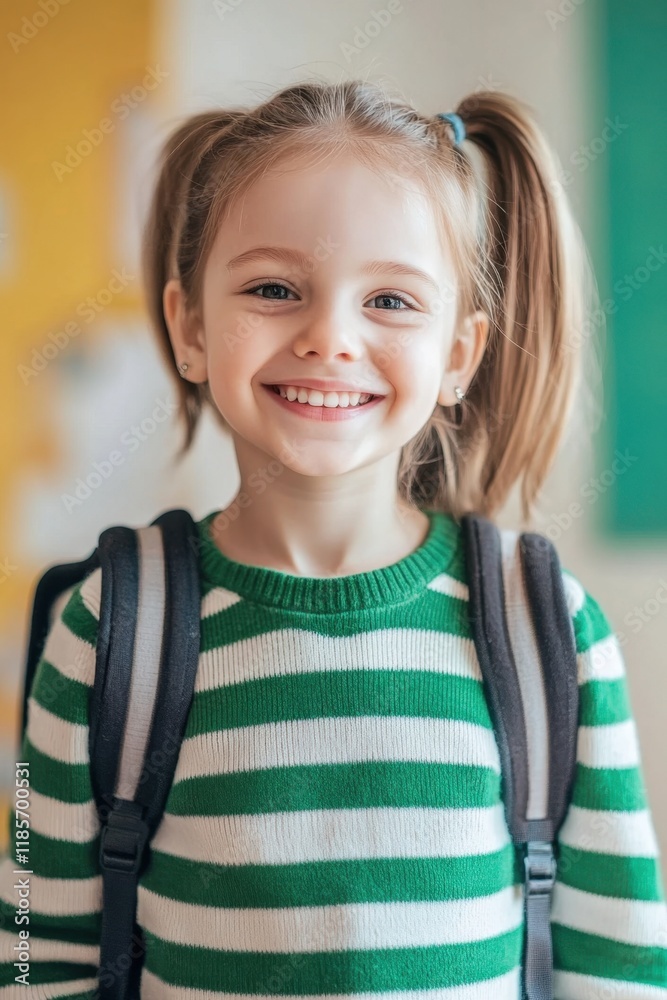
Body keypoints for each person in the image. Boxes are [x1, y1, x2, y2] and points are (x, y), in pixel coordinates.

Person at [1, 79, 666, 998]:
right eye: (274, 288)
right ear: (190, 327)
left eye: (390, 300)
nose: (329, 338)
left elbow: (619, 962)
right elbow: (34, 944)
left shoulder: (542, 622)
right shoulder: (109, 625)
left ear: (458, 357)